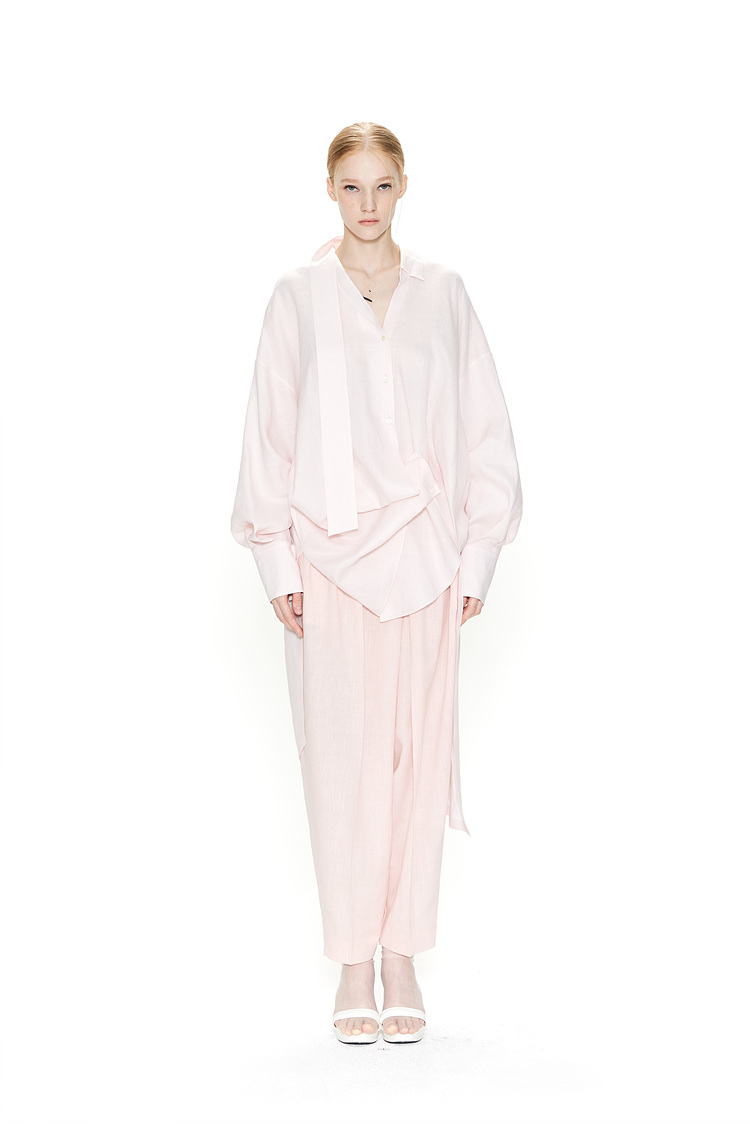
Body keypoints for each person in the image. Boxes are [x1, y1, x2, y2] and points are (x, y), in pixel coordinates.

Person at [230, 122, 523, 1044]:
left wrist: (480, 554)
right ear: (329, 188)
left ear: (404, 186)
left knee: (415, 761)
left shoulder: (445, 294)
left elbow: (486, 427)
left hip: (428, 559)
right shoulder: (297, 296)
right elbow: (268, 430)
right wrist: (276, 561)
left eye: (382, 185)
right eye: (351, 186)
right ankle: (353, 962)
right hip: (329, 560)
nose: (367, 204)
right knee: (341, 763)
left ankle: (404, 958)